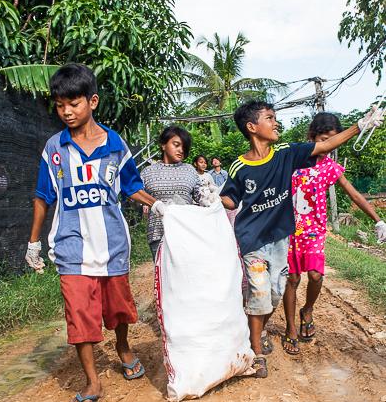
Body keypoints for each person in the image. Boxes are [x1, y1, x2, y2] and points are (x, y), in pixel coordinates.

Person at [25, 63, 162, 402]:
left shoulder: (115, 144)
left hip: (113, 244)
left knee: (117, 311)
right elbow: (43, 195)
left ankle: (123, 348)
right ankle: (92, 381)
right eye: (59, 105)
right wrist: (33, 243)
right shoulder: (54, 149)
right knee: (79, 314)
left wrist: (162, 207)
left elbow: (131, 186)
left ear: (93, 101)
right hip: (71, 247)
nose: (67, 111)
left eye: (74, 103)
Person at [220, 99, 383, 378]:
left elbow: (328, 151)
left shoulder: (286, 153)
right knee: (261, 293)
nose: (276, 123)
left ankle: (257, 328)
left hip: (284, 238)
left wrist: (361, 125)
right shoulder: (240, 166)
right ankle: (256, 351)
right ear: (252, 127)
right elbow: (230, 199)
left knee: (273, 294)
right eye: (270, 118)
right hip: (254, 240)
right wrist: (214, 198)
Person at [282, 112, 386, 354]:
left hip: (315, 230)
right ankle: (290, 328)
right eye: (325, 138)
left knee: (316, 276)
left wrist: (378, 220)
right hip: (289, 228)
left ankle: (307, 310)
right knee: (293, 279)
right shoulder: (293, 159)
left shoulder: (330, 167)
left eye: (333, 139)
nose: (329, 145)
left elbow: (354, 194)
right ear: (313, 137)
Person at [141, 126, 201, 261]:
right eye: (176, 145)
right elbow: (136, 196)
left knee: (188, 275)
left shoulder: (190, 170)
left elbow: (200, 197)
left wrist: (211, 197)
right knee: (163, 277)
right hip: (158, 232)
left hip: (187, 231)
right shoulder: (148, 172)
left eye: (184, 147)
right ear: (163, 145)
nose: (181, 150)